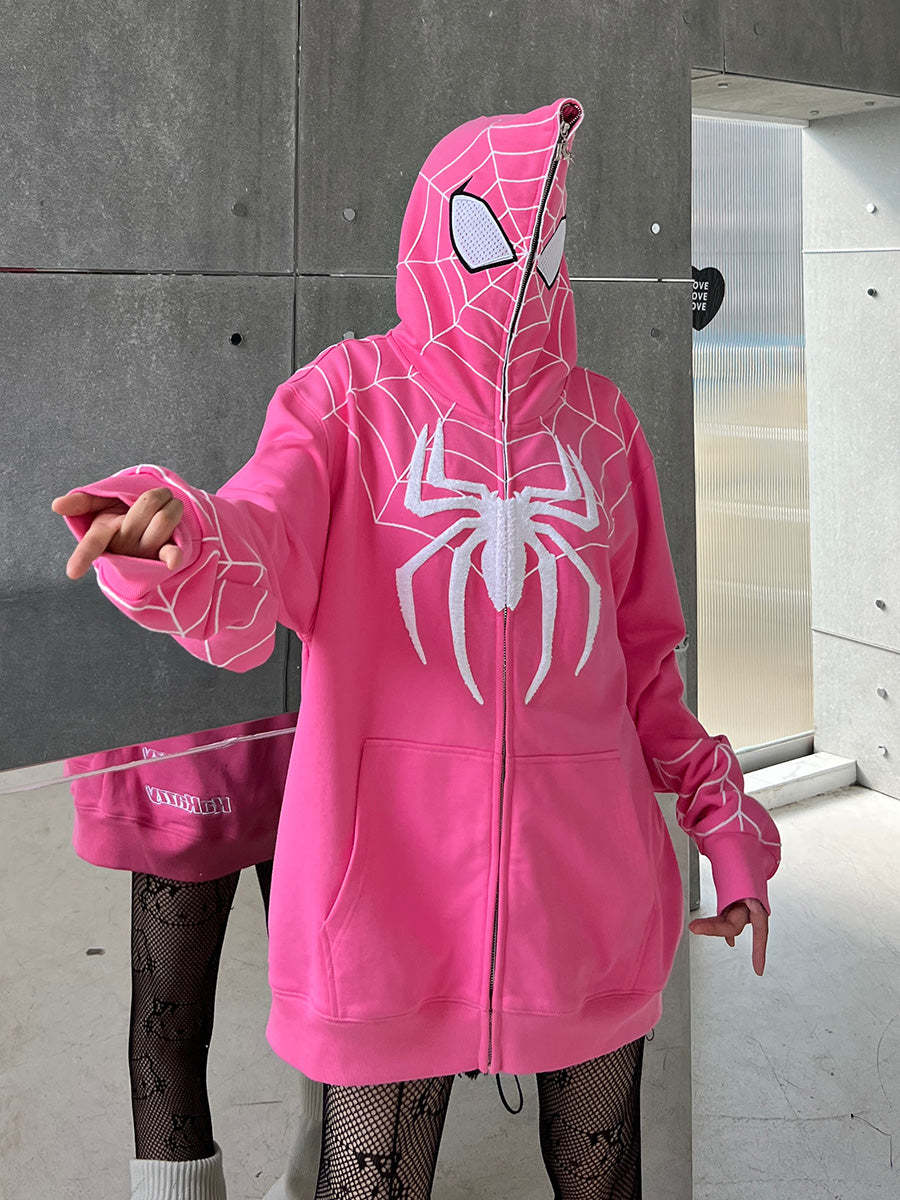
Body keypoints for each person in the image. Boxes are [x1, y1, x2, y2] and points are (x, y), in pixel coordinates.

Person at [52, 95, 781, 1198]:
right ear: (436, 225)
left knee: (605, 1174)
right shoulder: (348, 399)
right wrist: (185, 538)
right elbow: (260, 532)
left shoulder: (603, 424)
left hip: (587, 899)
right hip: (386, 903)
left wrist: (726, 829)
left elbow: (648, 668)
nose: (520, 268)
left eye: (544, 240)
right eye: (494, 233)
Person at [64, 715, 322, 1200]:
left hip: (205, 735)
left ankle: (315, 1180)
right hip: (230, 735)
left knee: (170, 1029)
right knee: (326, 1002)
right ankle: (315, 1180)